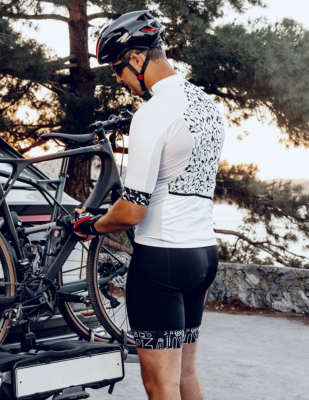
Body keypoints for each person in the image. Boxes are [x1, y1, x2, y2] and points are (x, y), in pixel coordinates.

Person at [73, 10, 225, 400]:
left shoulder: (153, 112)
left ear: (137, 58)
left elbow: (132, 211)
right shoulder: (206, 105)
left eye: (118, 69)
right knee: (186, 375)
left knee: (160, 386)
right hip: (203, 255)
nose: (119, 79)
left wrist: (91, 227)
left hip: (162, 263)